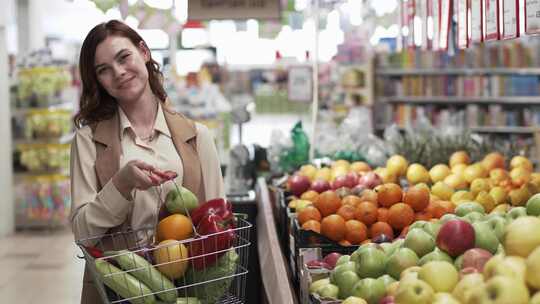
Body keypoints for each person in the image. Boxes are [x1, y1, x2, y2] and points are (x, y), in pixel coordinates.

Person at [69, 20, 225, 304]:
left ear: (143, 51)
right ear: (98, 80)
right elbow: (83, 233)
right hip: (116, 290)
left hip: (186, 292)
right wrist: (121, 184)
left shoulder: (197, 137)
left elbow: (220, 223)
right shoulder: (88, 141)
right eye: (103, 70)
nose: (118, 72)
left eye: (123, 57)